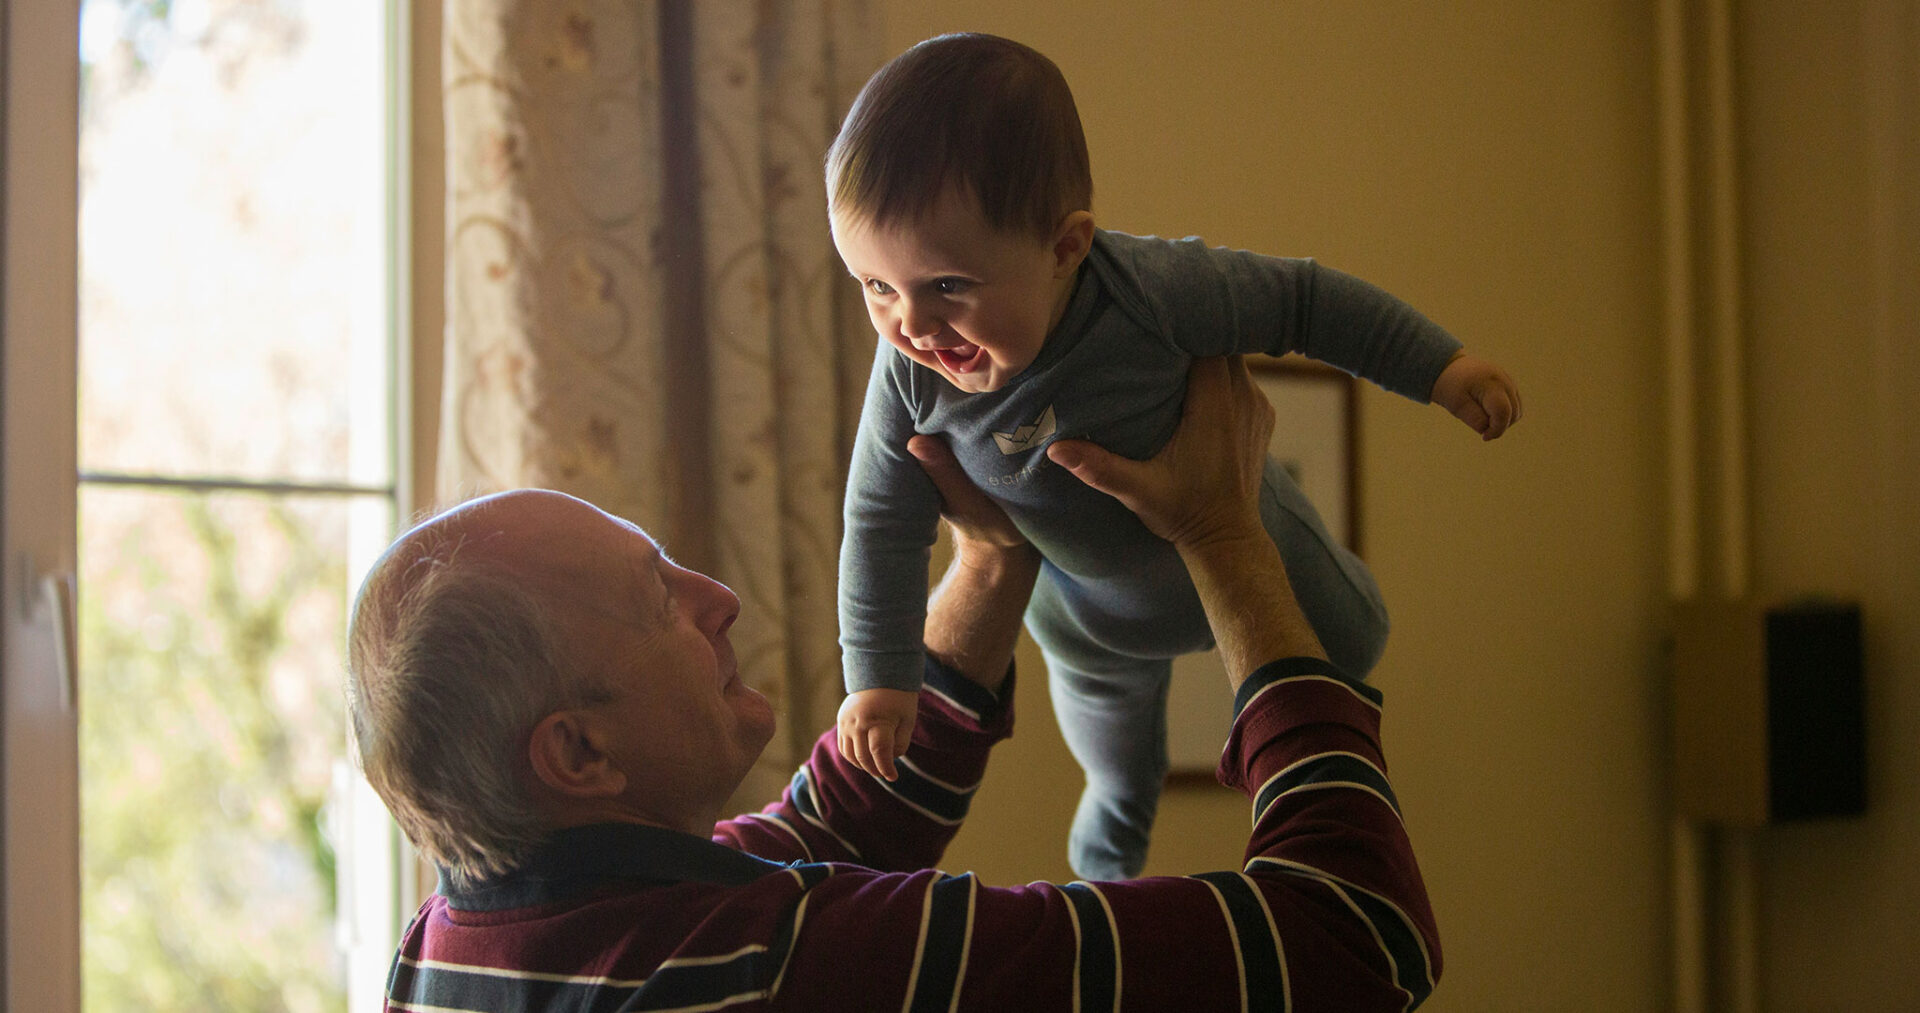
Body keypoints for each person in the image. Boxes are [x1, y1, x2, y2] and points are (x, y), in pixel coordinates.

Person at [348, 357, 1440, 1012]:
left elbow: (844, 819)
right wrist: (1225, 534)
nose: (716, 595)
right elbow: (1353, 939)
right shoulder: (779, 963)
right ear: (578, 752)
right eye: (657, 598)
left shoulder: (450, 942)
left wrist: (990, 560)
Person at [829, 32, 1522, 879]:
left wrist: (1441, 368)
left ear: (1064, 248)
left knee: (1358, 639)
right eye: (875, 286)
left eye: (947, 286)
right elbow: (879, 522)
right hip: (1088, 621)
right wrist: (879, 678)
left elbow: (1304, 301)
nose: (912, 325)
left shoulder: (1152, 290)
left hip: (1247, 532)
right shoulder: (907, 375)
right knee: (1120, 772)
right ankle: (1106, 878)